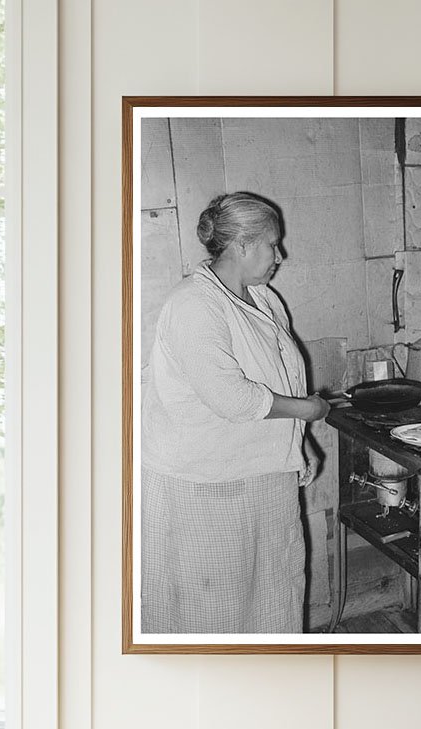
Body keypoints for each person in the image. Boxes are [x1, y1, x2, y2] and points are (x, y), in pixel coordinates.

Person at [141, 192, 329, 633]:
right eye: (271, 244)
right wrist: (311, 409)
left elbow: (281, 378)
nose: (279, 255)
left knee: (273, 596)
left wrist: (299, 444)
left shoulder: (263, 298)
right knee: (215, 610)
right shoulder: (192, 305)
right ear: (242, 245)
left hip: (261, 481)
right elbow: (234, 398)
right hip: (206, 489)